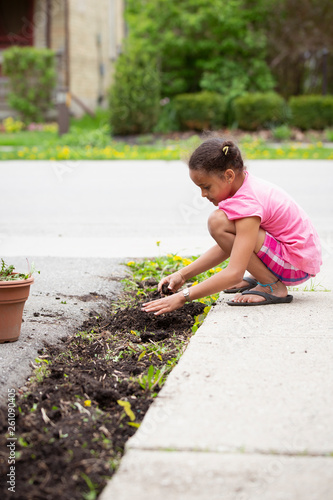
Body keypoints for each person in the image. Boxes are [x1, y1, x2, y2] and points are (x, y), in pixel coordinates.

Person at [142, 138, 322, 316]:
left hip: (295, 264)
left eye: (206, 187)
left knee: (218, 222)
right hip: (294, 259)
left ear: (229, 176)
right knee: (221, 223)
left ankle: (272, 286)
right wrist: (182, 275)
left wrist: (183, 297)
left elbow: (234, 273)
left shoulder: (247, 203)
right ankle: (262, 277)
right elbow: (234, 245)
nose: (203, 194)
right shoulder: (244, 186)